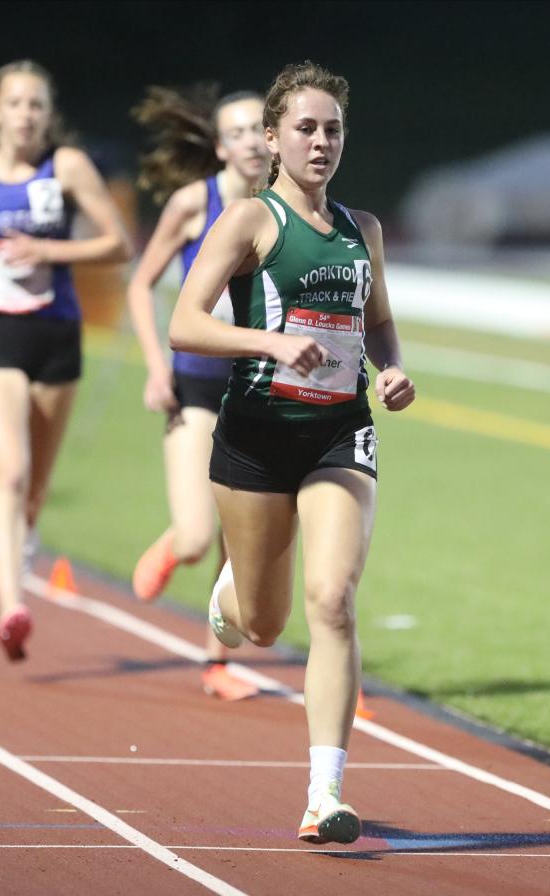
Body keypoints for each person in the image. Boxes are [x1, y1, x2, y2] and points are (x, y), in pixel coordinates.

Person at [169, 61, 415, 844]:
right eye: (306, 128)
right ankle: (232, 594)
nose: (321, 142)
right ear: (273, 139)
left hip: (340, 430)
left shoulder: (361, 229)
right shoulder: (248, 222)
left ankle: (325, 794)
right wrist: (271, 341)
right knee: (265, 625)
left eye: (333, 129)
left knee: (333, 598)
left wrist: (393, 366)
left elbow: (376, 320)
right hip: (253, 435)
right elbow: (186, 323)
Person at [0, 59, 131, 662]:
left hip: (57, 336)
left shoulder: (67, 167)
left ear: (48, 113)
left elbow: (118, 243)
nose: (26, 114)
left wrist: (47, 247)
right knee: (8, 470)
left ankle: (23, 540)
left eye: (36, 104)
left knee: (32, 490)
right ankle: (12, 605)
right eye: (15, 103)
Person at [128, 84, 269, 701]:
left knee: (241, 538)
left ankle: (216, 663)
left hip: (261, 392)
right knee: (195, 536)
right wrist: (156, 366)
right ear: (219, 147)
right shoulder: (194, 202)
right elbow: (141, 285)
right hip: (195, 388)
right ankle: (171, 545)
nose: (249, 141)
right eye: (235, 132)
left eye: (258, 128)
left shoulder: (285, 207)